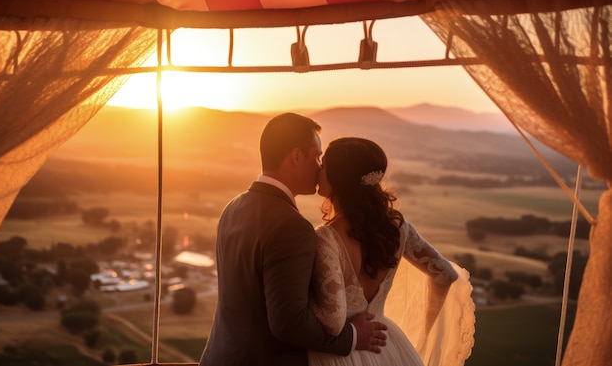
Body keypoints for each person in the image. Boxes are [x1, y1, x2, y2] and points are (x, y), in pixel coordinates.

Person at [199, 114, 388, 366]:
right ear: (297, 156)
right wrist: (352, 337)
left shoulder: (233, 207)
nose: (321, 167)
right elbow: (289, 322)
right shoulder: (292, 227)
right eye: (317, 157)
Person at [308, 137, 475, 366]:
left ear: (340, 177)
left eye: (324, 163)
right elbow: (445, 273)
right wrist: (421, 332)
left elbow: (332, 322)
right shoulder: (398, 229)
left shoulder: (325, 238)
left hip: (340, 354)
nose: (318, 169)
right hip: (387, 347)